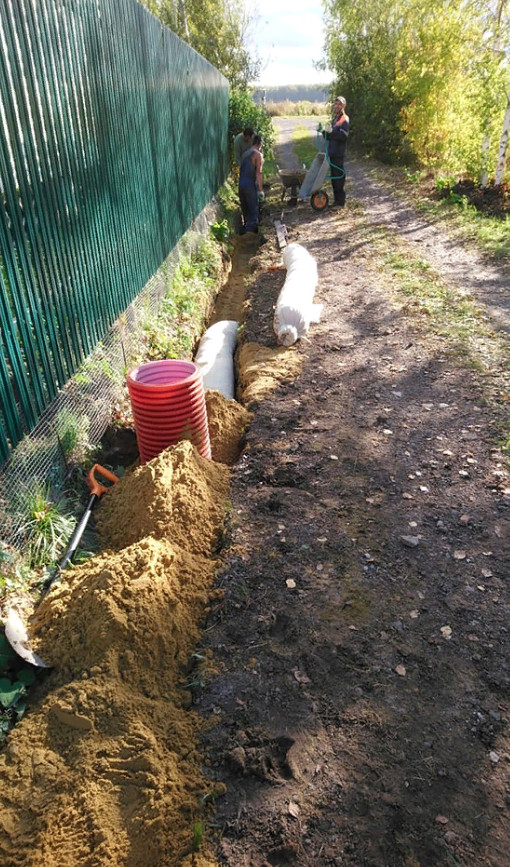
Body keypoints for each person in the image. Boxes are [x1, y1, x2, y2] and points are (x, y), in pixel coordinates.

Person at [324, 96, 349, 208]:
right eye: (336, 104)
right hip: (332, 152)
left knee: (339, 178)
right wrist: (324, 132)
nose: (337, 106)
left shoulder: (344, 118)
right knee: (334, 178)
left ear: (344, 106)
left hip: (339, 153)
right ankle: (336, 201)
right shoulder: (335, 119)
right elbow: (331, 136)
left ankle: (341, 202)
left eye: (340, 104)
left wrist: (332, 133)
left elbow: (344, 136)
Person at [238, 134, 264, 234]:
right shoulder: (258, 155)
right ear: (260, 144)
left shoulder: (245, 154)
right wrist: (260, 190)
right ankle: (250, 236)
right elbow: (259, 173)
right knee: (253, 210)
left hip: (241, 184)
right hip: (249, 185)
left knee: (245, 210)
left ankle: (245, 230)